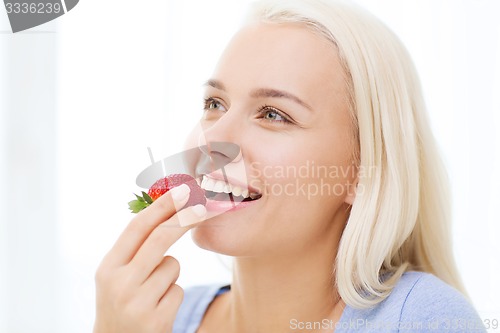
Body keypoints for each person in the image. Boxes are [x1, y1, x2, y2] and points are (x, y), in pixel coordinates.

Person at [93, 0, 487, 332]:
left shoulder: (422, 320)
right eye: (215, 104)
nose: (211, 142)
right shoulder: (155, 319)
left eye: (274, 114)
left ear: (362, 171)